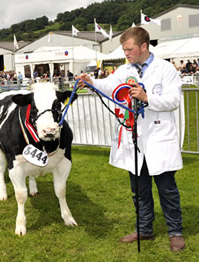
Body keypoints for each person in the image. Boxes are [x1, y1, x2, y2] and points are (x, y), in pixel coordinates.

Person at [76, 27, 185, 252]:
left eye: (129, 49)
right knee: (139, 189)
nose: (126, 53)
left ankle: (175, 231)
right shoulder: (125, 69)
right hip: (134, 140)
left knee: (167, 189)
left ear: (144, 46)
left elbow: (174, 100)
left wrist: (147, 98)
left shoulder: (165, 69)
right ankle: (144, 229)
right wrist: (91, 81)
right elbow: (109, 85)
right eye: (124, 49)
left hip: (158, 137)